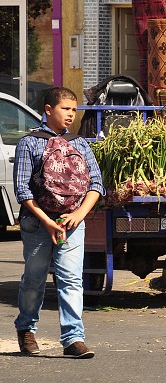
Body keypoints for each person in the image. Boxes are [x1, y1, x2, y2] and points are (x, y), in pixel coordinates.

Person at [13, 87, 104, 359]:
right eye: (65, 109)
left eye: (74, 110)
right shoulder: (30, 143)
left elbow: (96, 184)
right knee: (34, 279)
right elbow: (22, 190)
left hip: (71, 223)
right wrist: (47, 221)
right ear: (48, 109)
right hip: (37, 223)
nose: (71, 114)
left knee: (71, 280)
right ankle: (26, 328)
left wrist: (79, 215)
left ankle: (74, 338)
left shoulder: (80, 144)